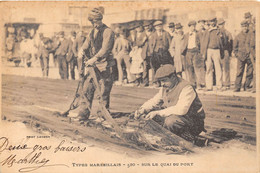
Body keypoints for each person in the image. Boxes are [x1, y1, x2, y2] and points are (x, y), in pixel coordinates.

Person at [134, 64, 206, 143]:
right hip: (178, 118)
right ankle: (166, 135)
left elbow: (181, 110)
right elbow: (154, 101)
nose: (162, 84)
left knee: (170, 121)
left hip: (193, 122)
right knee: (149, 116)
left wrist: (157, 112)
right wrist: (142, 109)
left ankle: (189, 137)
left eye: (164, 80)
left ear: (173, 77)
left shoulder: (186, 87)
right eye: (160, 81)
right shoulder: (166, 87)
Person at [77, 7, 115, 121]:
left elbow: (105, 49)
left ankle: (102, 115)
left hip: (105, 66)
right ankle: (83, 114)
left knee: (103, 92)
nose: (94, 24)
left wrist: (93, 59)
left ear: (100, 20)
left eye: (96, 22)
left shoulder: (108, 31)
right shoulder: (92, 31)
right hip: (93, 67)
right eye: (92, 22)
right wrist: (81, 50)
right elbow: (86, 43)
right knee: (87, 89)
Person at [202, 17, 224, 91]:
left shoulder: (219, 31)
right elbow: (203, 43)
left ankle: (219, 86)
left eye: (213, 21)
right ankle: (209, 86)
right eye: (211, 21)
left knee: (218, 68)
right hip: (208, 51)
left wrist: (222, 51)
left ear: (215, 22)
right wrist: (203, 53)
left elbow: (223, 42)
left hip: (217, 50)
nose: (212, 23)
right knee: (208, 68)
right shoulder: (207, 31)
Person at [182, 20, 205, 89]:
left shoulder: (198, 33)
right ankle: (192, 84)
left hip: (196, 52)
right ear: (189, 27)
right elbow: (184, 44)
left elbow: (201, 43)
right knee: (189, 69)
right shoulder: (186, 35)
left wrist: (201, 53)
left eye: (194, 26)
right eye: (191, 26)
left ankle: (198, 84)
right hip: (188, 52)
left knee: (197, 69)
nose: (193, 27)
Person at [233, 20, 253, 92]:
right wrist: (237, 55)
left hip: (249, 56)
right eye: (243, 26)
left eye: (246, 26)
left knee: (250, 72)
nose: (245, 28)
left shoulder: (251, 35)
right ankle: (237, 87)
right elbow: (234, 48)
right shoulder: (238, 36)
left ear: (248, 26)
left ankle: (246, 86)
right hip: (241, 57)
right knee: (239, 72)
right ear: (241, 27)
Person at [218, 18, 233, 90]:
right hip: (218, 51)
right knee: (218, 68)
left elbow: (231, 43)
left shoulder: (227, 33)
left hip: (225, 51)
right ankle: (219, 83)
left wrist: (229, 52)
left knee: (226, 68)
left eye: (222, 24)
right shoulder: (216, 33)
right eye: (220, 24)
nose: (221, 26)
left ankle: (227, 83)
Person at [246, 18, 255, 93]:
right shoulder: (251, 32)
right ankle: (255, 87)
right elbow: (247, 43)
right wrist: (249, 52)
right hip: (253, 53)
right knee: (254, 71)